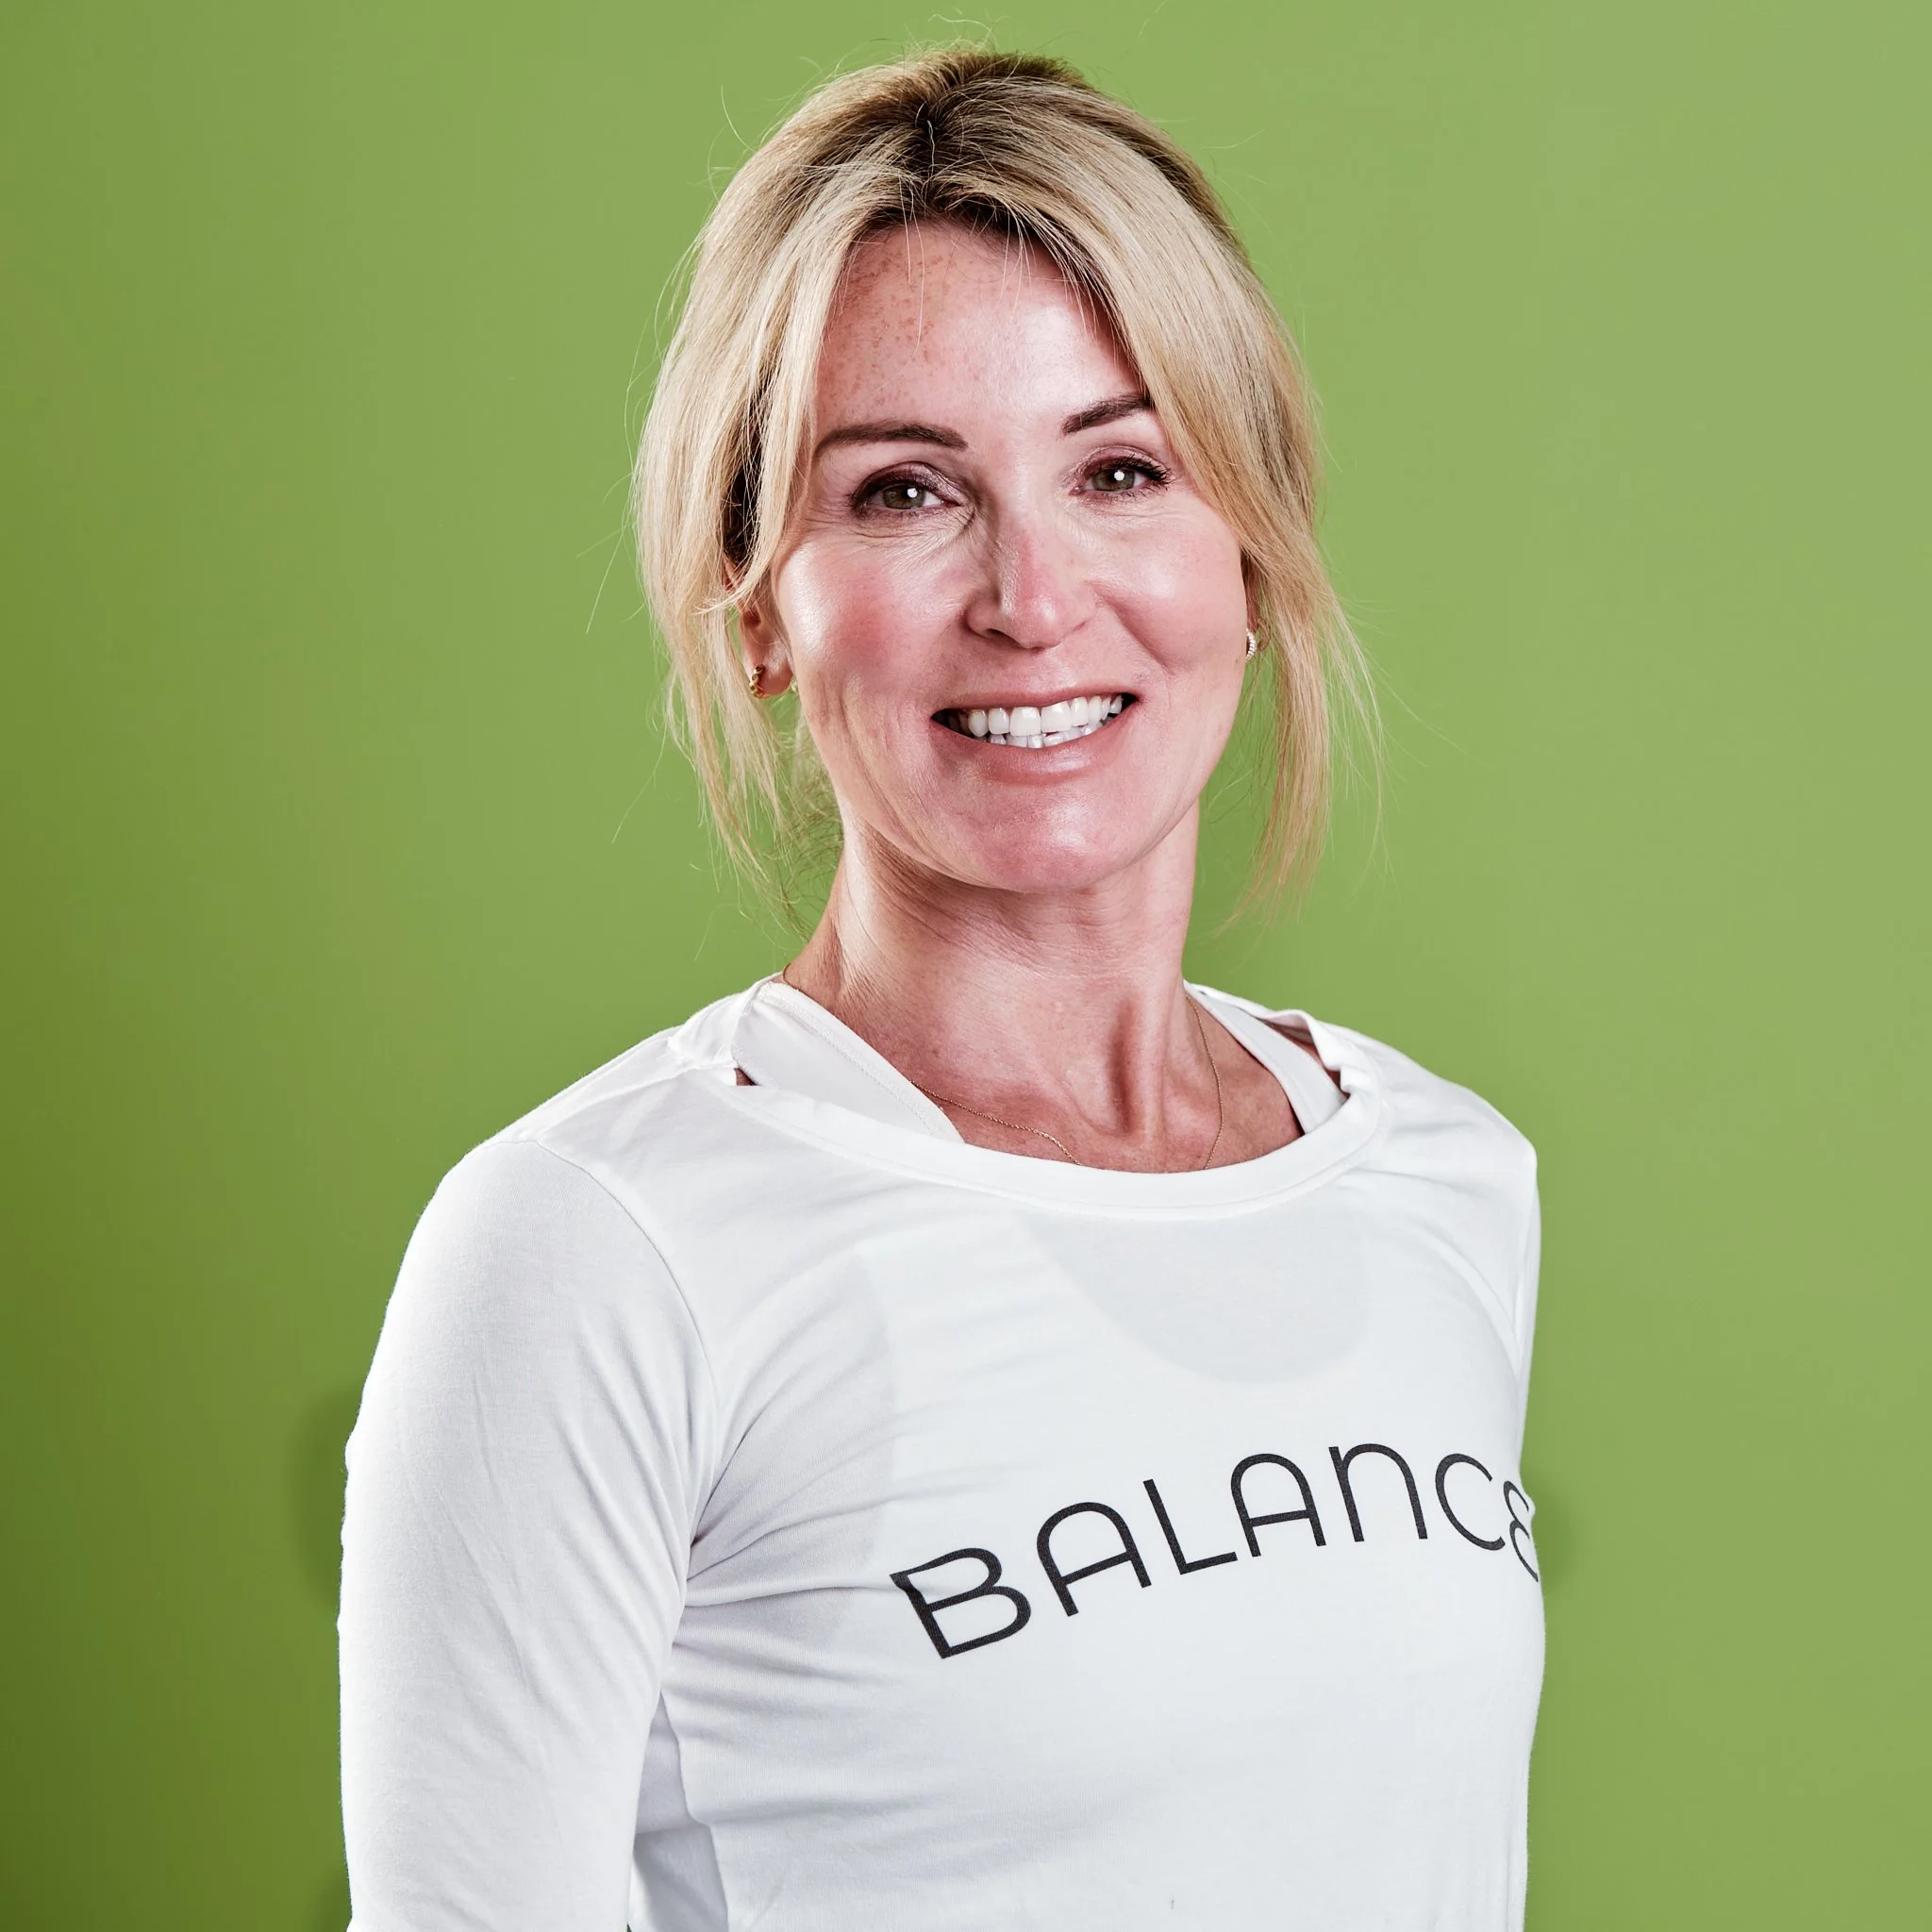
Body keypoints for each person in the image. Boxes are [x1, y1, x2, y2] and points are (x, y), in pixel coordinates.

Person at [339, 46, 1544, 1932]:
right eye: (905, 490)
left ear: (1251, 553)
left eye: (1123, 468)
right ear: (754, 604)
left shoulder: (1442, 1183)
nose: (1035, 595)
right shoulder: (598, 1248)